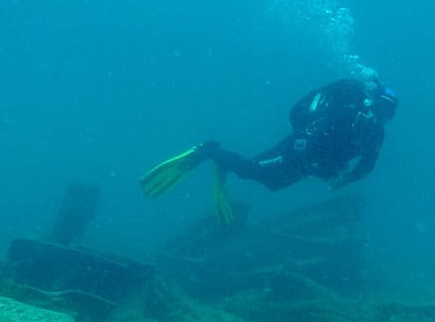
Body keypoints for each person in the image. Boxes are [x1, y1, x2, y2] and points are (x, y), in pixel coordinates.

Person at [140, 78, 397, 224]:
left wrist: (346, 178)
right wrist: (320, 163)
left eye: (389, 114)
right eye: (381, 108)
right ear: (372, 103)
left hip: (310, 167)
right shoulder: (347, 114)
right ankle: (208, 151)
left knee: (271, 184)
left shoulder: (376, 134)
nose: (382, 116)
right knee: (251, 171)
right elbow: (315, 134)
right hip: (295, 152)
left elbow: (367, 164)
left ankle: (224, 162)